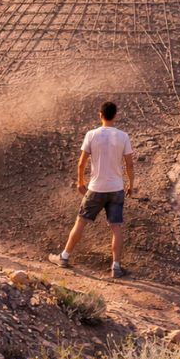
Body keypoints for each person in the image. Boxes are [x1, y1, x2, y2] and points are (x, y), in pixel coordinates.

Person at [50, 101, 134, 278]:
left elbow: (82, 163)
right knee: (116, 228)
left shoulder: (91, 135)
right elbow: (129, 164)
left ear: (100, 115)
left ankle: (64, 257)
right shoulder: (123, 136)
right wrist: (131, 184)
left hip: (96, 188)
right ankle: (116, 267)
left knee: (81, 222)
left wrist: (80, 182)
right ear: (115, 115)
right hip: (116, 188)